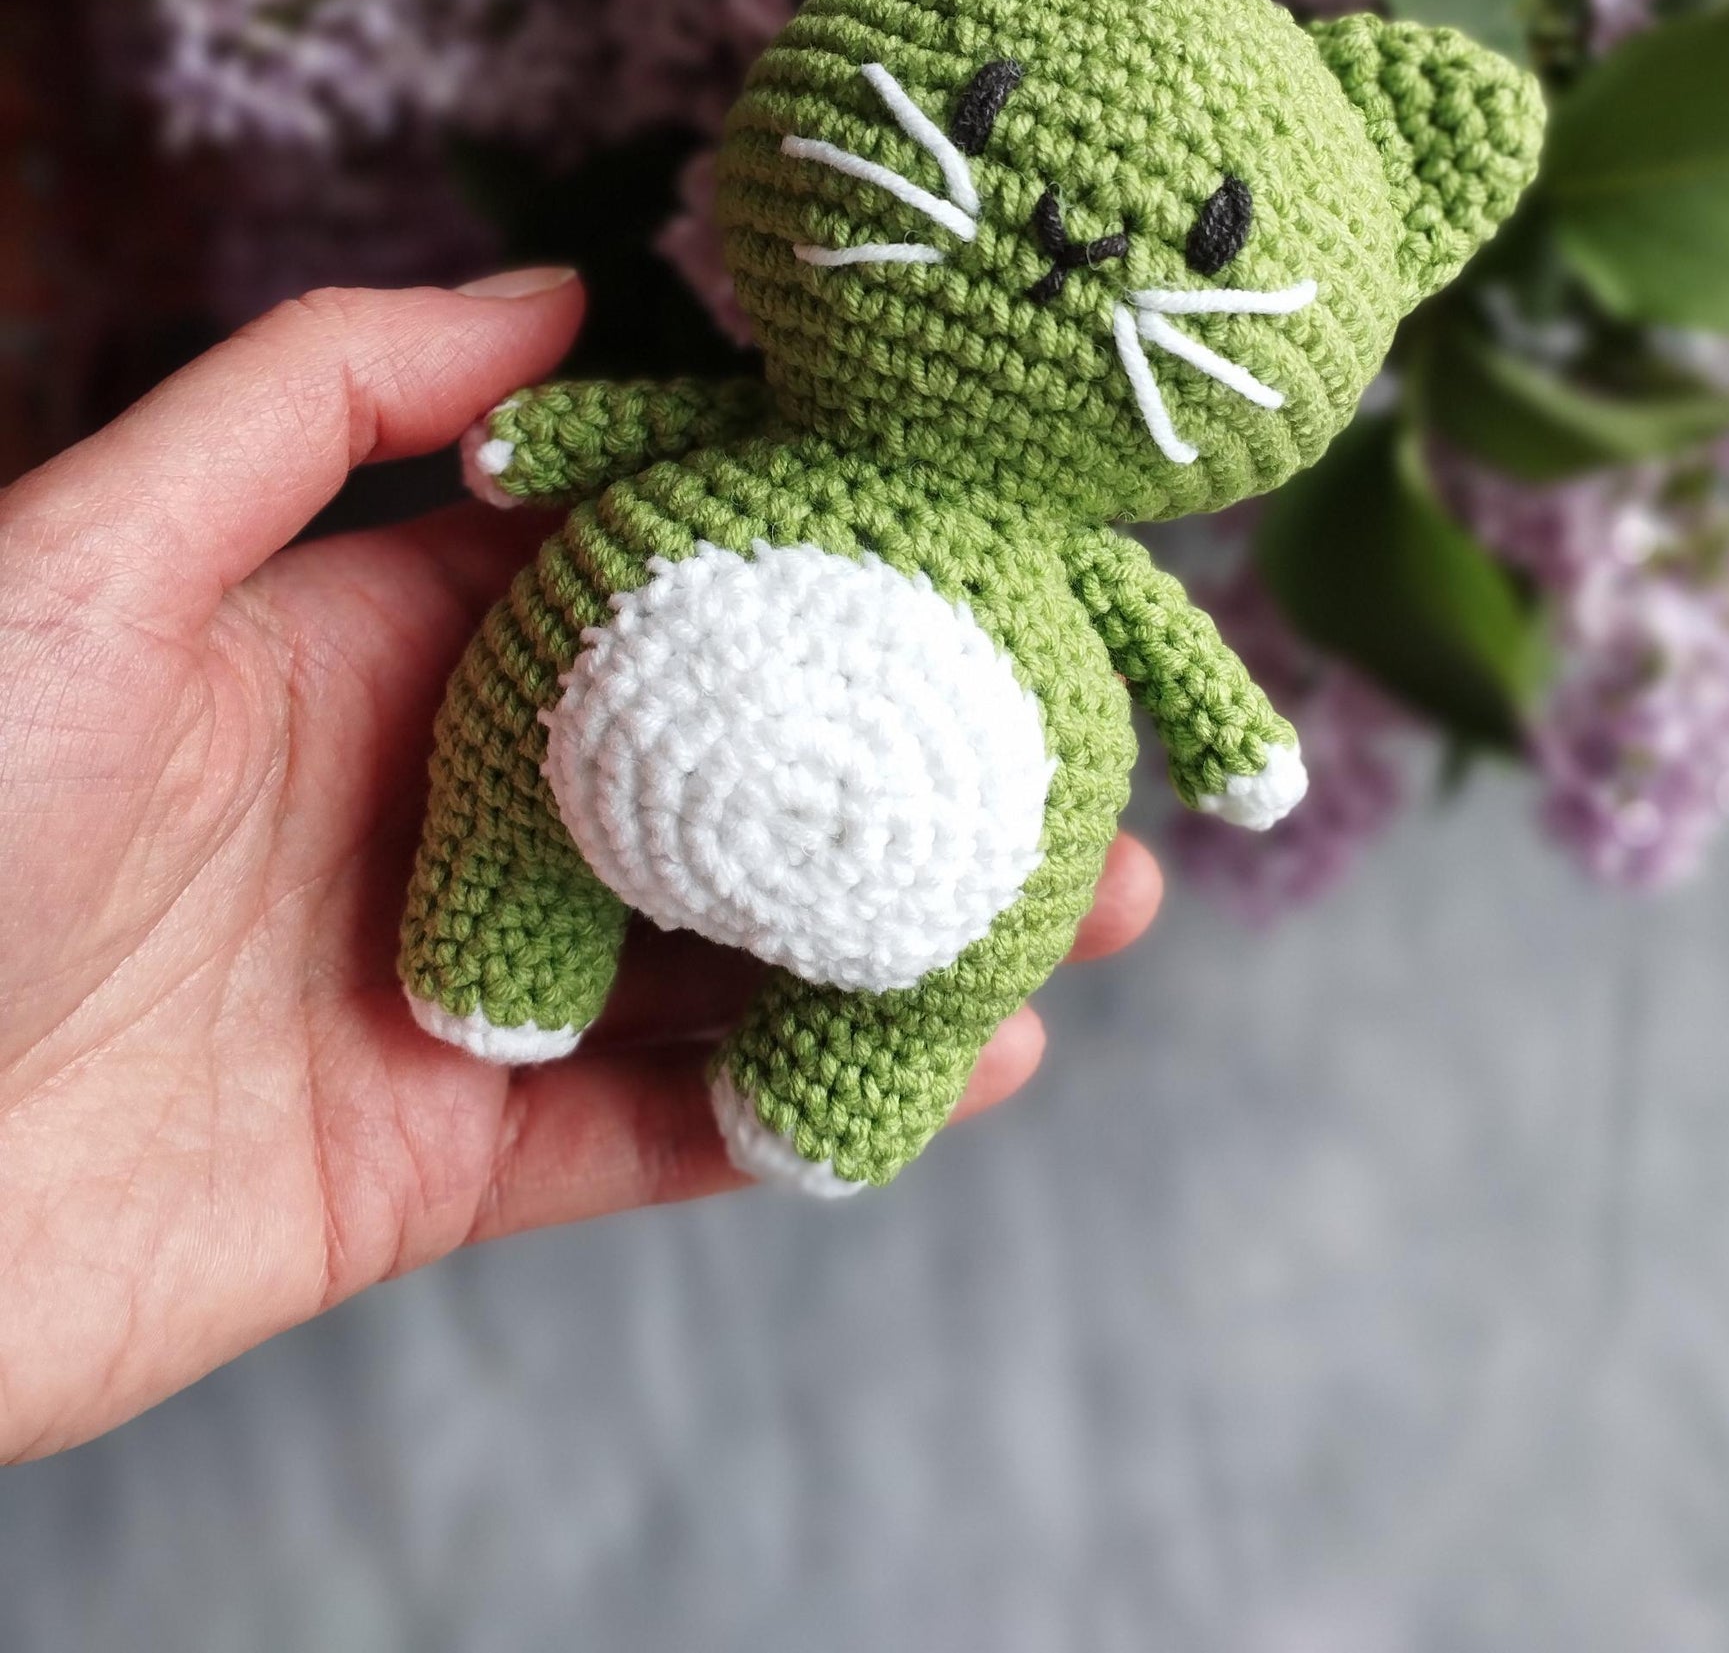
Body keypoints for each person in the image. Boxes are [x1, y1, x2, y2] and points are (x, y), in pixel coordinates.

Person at [0, 270, 1162, 1460]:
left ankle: (857, 1050)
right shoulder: (762, 431)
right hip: (623, 715)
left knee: (919, 972)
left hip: (923, 801)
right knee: (516, 778)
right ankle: (522, 931)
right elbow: (652, 424)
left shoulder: (1072, 563)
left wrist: (1229, 727)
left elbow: (1160, 638)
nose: (1063, 244)